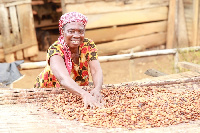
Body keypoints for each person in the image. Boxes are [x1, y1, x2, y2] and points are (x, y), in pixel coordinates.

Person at [34, 12, 103, 108]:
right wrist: (85, 94)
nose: (77, 35)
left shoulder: (88, 45)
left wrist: (97, 89)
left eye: (81, 31)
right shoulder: (55, 49)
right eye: (71, 31)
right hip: (49, 91)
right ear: (62, 32)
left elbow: (96, 70)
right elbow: (63, 78)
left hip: (77, 90)